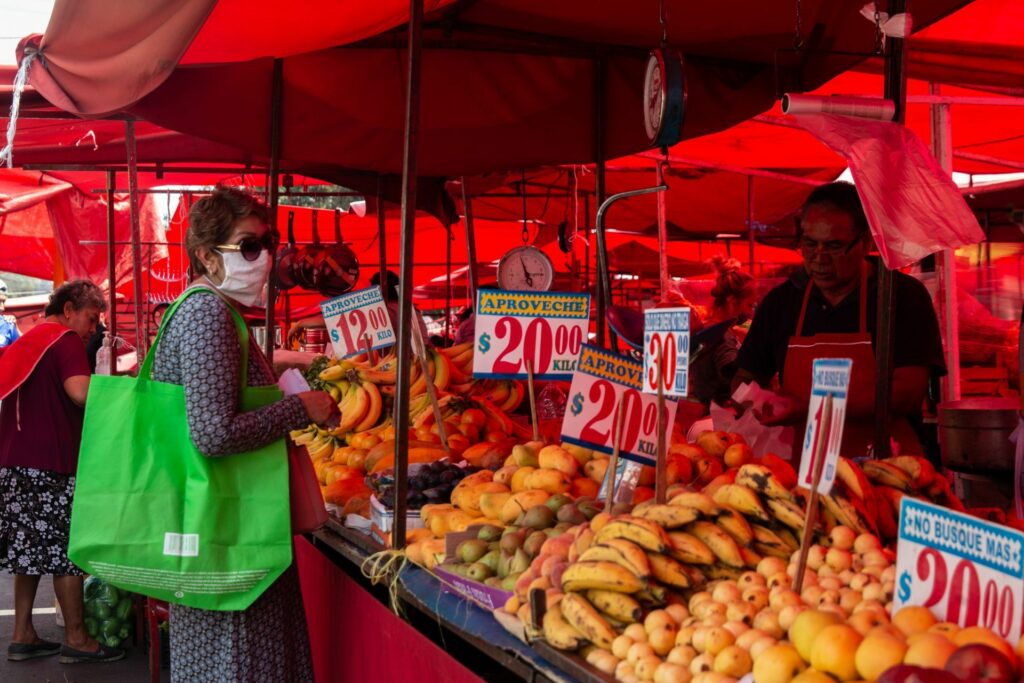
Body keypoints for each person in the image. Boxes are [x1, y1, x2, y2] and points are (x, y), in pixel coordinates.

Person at [151, 186, 336, 681]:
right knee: (240, 662)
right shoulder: (206, 314)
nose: (264, 257)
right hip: (229, 536)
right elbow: (213, 433)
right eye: (249, 246)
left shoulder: (216, 313)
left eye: (267, 243)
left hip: (226, 528)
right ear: (207, 255)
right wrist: (298, 408)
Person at [734, 181, 945, 461]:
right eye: (809, 243)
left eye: (833, 246)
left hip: (887, 469)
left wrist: (812, 407)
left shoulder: (900, 296)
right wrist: (754, 399)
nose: (819, 258)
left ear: (866, 241)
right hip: (802, 475)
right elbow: (747, 374)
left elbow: (907, 392)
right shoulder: (782, 302)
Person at [0, 280, 122, 664]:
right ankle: (77, 638)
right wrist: (116, 387)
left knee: (28, 553)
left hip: (13, 463)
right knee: (65, 552)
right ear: (68, 310)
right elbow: (81, 394)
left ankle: (23, 634)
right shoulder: (64, 340)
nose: (93, 329)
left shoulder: (26, 342)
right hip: (50, 464)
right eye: (90, 318)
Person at [689, 256, 757, 407]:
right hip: (723, 418)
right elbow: (733, 378)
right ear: (732, 301)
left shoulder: (706, 329)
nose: (751, 312)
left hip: (706, 411)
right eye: (749, 305)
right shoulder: (722, 336)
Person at [0, 278, 21, 350]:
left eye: (3, 302)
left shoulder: (8, 324)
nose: (2, 308)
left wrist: (16, 326)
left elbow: (23, 347)